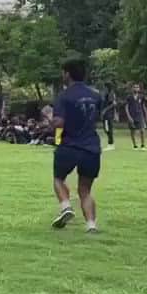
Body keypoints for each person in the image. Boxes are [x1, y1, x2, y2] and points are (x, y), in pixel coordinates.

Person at [49, 57, 103, 233]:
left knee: (58, 178)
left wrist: (49, 116)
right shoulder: (96, 95)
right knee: (85, 189)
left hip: (70, 145)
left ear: (67, 74)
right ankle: (91, 225)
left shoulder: (64, 96)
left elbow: (59, 123)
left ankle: (66, 206)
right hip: (91, 146)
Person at [126, 83, 147, 151]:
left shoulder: (141, 97)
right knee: (132, 131)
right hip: (132, 115)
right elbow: (126, 107)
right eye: (134, 87)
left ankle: (143, 145)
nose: (136, 88)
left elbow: (144, 106)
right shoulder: (129, 97)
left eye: (137, 87)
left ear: (139, 89)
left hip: (140, 115)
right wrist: (129, 116)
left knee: (142, 130)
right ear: (132, 89)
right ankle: (134, 145)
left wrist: (146, 115)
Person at [101, 83, 118, 152]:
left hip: (108, 115)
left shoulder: (110, 94)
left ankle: (110, 144)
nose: (104, 89)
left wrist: (105, 110)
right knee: (106, 129)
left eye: (105, 87)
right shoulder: (107, 94)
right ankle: (110, 143)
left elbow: (113, 104)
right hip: (107, 115)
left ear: (107, 87)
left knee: (108, 129)